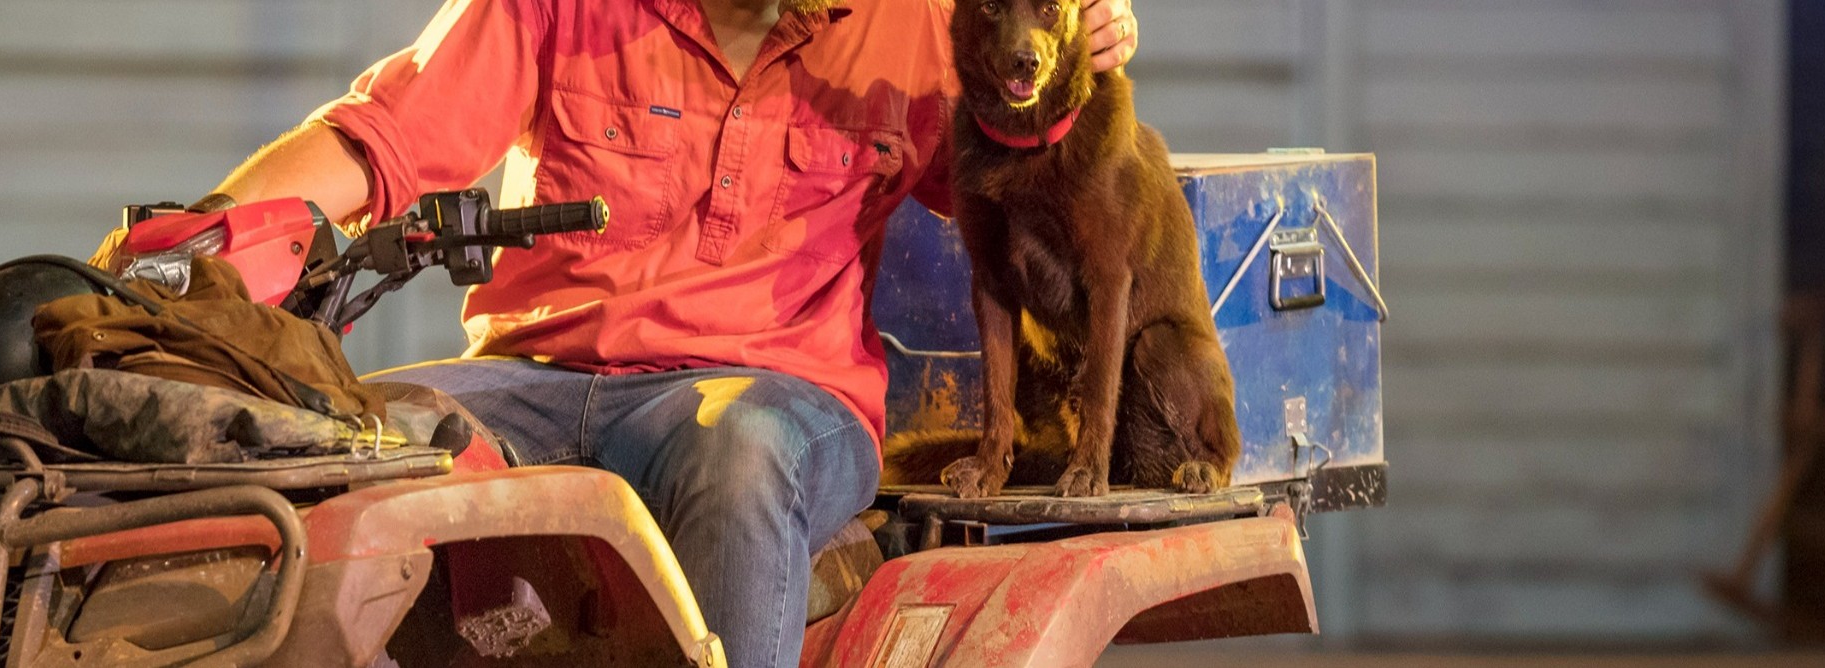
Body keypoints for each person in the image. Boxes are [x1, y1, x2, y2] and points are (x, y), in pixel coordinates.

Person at [203, 0, 1138, 665]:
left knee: (741, 449)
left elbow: (1047, 178)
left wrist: (1080, 41)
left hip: (779, 398)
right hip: (536, 377)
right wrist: (198, 244)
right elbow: (382, 139)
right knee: (356, 435)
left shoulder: (922, 22)